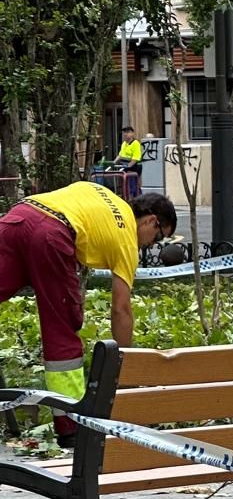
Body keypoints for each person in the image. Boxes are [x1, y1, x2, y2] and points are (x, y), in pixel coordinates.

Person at [0, 183, 176, 441]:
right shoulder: (126, 237)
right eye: (158, 238)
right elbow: (121, 309)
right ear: (151, 221)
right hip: (51, 235)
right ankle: (71, 426)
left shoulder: (103, 195)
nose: (151, 246)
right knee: (61, 329)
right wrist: (124, 368)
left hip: (16, 218)